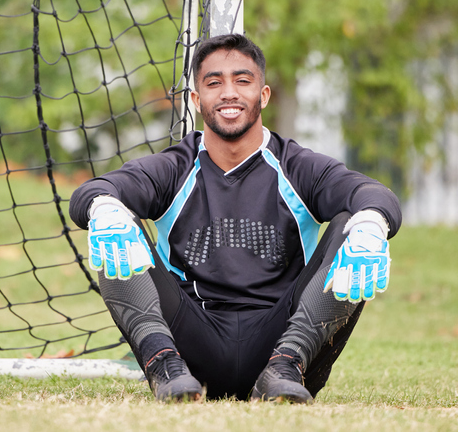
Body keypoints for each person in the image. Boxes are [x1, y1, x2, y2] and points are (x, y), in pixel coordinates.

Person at [69, 34, 401, 402]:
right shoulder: (175, 166)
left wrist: (372, 222)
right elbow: (93, 191)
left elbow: (372, 193)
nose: (229, 93)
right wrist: (105, 210)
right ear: (196, 101)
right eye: (214, 83)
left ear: (264, 95)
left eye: (242, 81)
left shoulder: (296, 165)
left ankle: (287, 366)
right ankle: (162, 366)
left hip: (284, 343)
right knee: (113, 222)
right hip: (191, 345)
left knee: (353, 224)